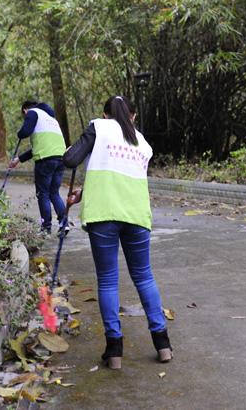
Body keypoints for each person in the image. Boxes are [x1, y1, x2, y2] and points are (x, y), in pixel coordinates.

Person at [63, 95, 173, 370]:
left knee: (109, 281)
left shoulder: (99, 127)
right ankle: (163, 345)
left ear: (106, 114)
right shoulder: (143, 143)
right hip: (136, 216)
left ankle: (114, 351)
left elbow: (70, 159)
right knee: (144, 277)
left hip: (103, 216)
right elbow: (123, 179)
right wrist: (85, 191)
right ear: (132, 116)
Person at [8, 101, 67, 234]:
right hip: (61, 158)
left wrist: (19, 133)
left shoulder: (32, 113)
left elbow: (25, 131)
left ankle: (46, 228)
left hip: (45, 160)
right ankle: (64, 223)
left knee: (43, 195)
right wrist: (18, 160)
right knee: (54, 193)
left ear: (25, 111)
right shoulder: (51, 119)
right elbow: (37, 147)